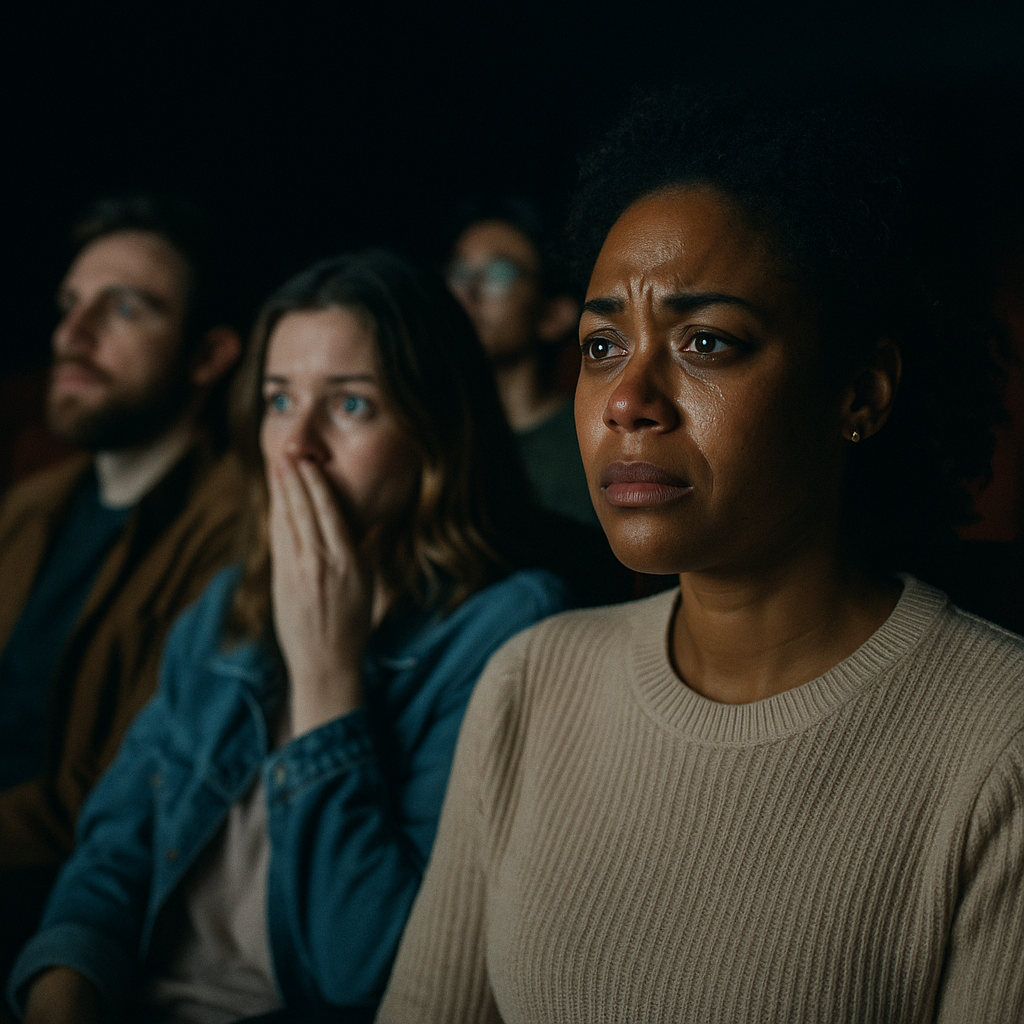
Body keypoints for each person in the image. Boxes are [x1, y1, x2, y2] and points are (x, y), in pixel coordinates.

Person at [377, 94, 1024, 1022]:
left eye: (706, 342)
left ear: (863, 390)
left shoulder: (1000, 745)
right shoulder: (531, 681)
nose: (627, 399)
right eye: (602, 346)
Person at [8, 250, 569, 1023]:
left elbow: (365, 974)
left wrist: (327, 680)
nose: (296, 444)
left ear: (435, 430)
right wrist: (61, 986)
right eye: (279, 400)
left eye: (350, 406)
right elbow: (115, 846)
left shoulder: (512, 628)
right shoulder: (226, 604)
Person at [0, 196, 245, 972]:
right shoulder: (32, 503)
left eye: (125, 308)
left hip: (52, 907)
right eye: (70, 306)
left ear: (208, 357)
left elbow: (119, 795)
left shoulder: (237, 527)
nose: (71, 335)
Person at [445, 195, 597, 525]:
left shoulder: (589, 446)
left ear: (554, 315)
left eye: (498, 273)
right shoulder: (435, 436)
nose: (466, 293)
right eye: (459, 271)